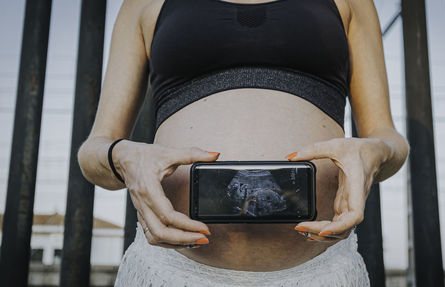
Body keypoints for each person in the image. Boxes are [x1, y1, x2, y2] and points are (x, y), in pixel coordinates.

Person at [77, 0, 409, 286]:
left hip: (321, 272)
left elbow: (388, 138)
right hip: (170, 271)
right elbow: (94, 152)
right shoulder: (143, 3)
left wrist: (375, 151)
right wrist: (122, 157)